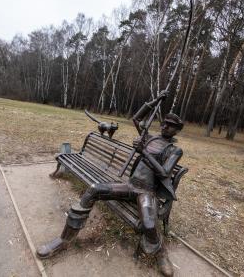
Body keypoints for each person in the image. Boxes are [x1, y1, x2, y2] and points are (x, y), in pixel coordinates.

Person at [36, 91, 183, 277]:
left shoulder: (175, 150)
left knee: (148, 222)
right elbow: (136, 119)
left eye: (171, 126)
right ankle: (64, 240)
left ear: (177, 130)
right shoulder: (150, 138)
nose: (165, 127)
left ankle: (161, 253)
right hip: (130, 186)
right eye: (164, 123)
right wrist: (155, 101)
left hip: (147, 192)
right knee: (94, 189)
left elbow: (164, 172)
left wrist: (143, 152)